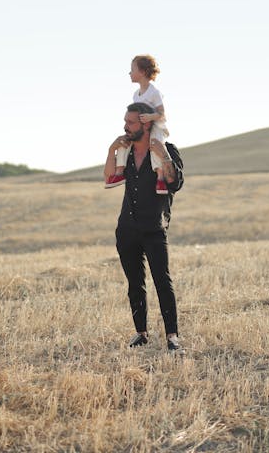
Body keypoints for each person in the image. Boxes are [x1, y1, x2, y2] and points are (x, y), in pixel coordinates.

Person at [104, 102, 184, 351]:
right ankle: (141, 333)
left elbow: (175, 182)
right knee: (134, 283)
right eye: (126, 121)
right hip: (127, 228)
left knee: (162, 281)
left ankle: (172, 336)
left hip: (154, 228)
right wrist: (111, 150)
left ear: (146, 123)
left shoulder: (166, 150)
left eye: (130, 123)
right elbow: (108, 178)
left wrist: (164, 154)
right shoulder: (125, 154)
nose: (125, 127)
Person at [105, 54, 170, 195]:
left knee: (156, 146)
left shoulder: (154, 92)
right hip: (141, 128)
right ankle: (119, 171)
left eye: (132, 69)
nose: (129, 73)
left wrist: (150, 117)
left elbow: (162, 113)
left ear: (143, 72)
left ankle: (160, 177)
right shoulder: (136, 94)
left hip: (155, 126)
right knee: (124, 141)